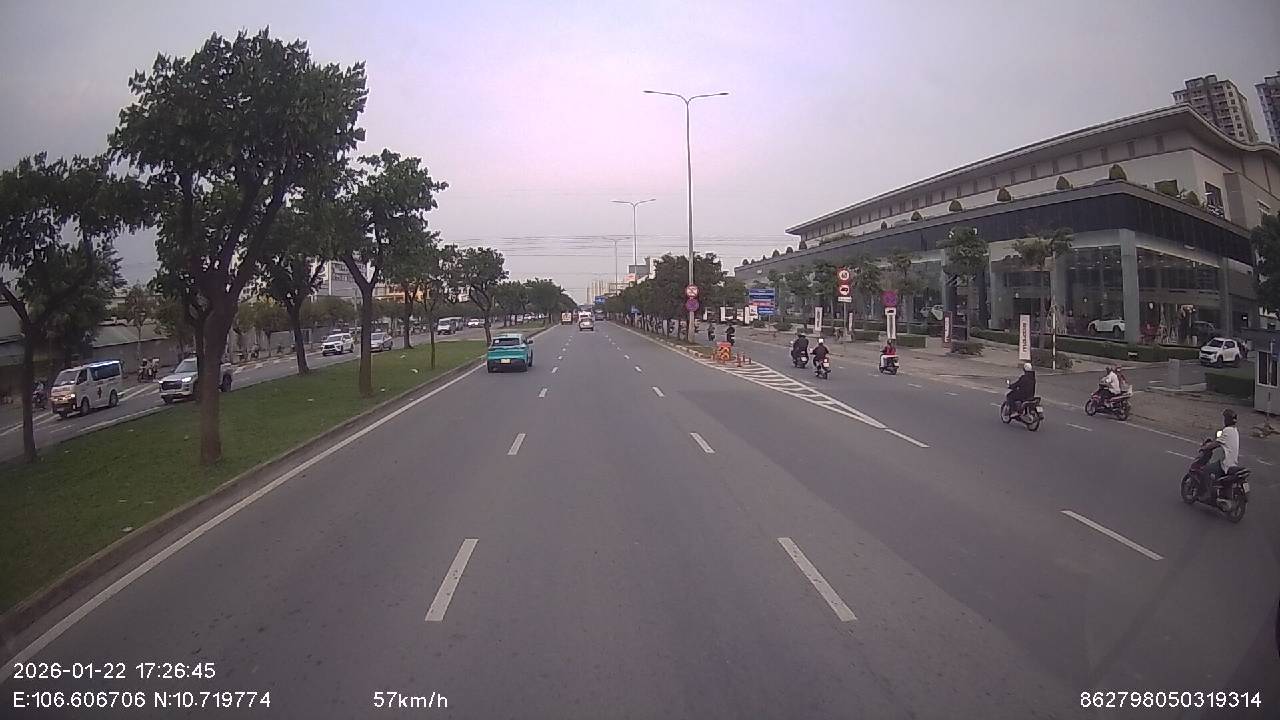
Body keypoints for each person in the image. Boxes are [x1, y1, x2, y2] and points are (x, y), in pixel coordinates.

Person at [1203, 409, 1241, 499]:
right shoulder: (1235, 431)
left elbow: (1216, 444)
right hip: (1233, 463)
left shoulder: (1227, 430)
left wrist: (1205, 447)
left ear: (1227, 419)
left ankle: (1208, 493)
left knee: (1207, 469)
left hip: (1226, 463)